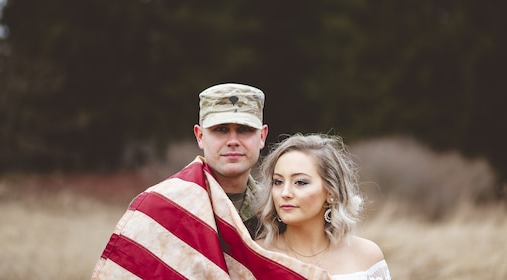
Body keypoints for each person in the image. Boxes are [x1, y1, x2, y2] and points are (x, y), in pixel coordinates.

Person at [91, 83, 329, 280]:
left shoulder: (275, 212)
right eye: (221, 129)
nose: (233, 140)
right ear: (200, 136)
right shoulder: (160, 207)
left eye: (244, 129)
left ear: (262, 136)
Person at [256, 133, 392, 280]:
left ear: (331, 191)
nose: (285, 193)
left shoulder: (366, 255)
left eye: (300, 182)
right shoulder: (257, 255)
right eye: (278, 182)